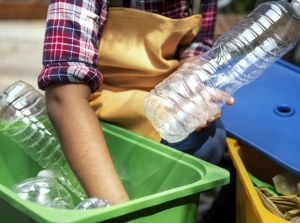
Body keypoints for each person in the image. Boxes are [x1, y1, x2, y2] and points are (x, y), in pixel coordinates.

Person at [38, 0, 234, 205]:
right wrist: (119, 211)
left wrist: (189, 92)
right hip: (94, 105)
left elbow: (195, 49)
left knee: (209, 138)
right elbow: (64, 96)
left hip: (159, 103)